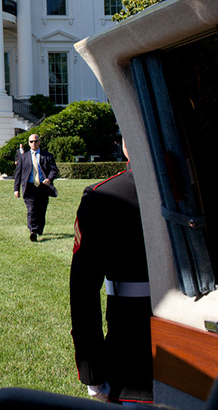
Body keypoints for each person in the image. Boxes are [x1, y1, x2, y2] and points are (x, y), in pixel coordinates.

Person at [69, 139, 152, 405]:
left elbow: (84, 294)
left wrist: (92, 374)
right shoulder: (212, 186)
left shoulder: (104, 196)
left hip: (133, 356)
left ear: (127, 143)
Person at [13, 133, 59, 241]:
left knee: (41, 210)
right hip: (29, 187)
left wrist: (49, 179)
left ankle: (39, 230)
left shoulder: (47, 156)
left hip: (43, 187)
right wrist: (16, 189)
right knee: (31, 209)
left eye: (35, 141)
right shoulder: (23, 157)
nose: (33, 143)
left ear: (39, 142)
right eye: (31, 142)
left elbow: (54, 170)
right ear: (29, 143)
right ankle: (33, 231)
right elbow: (18, 174)